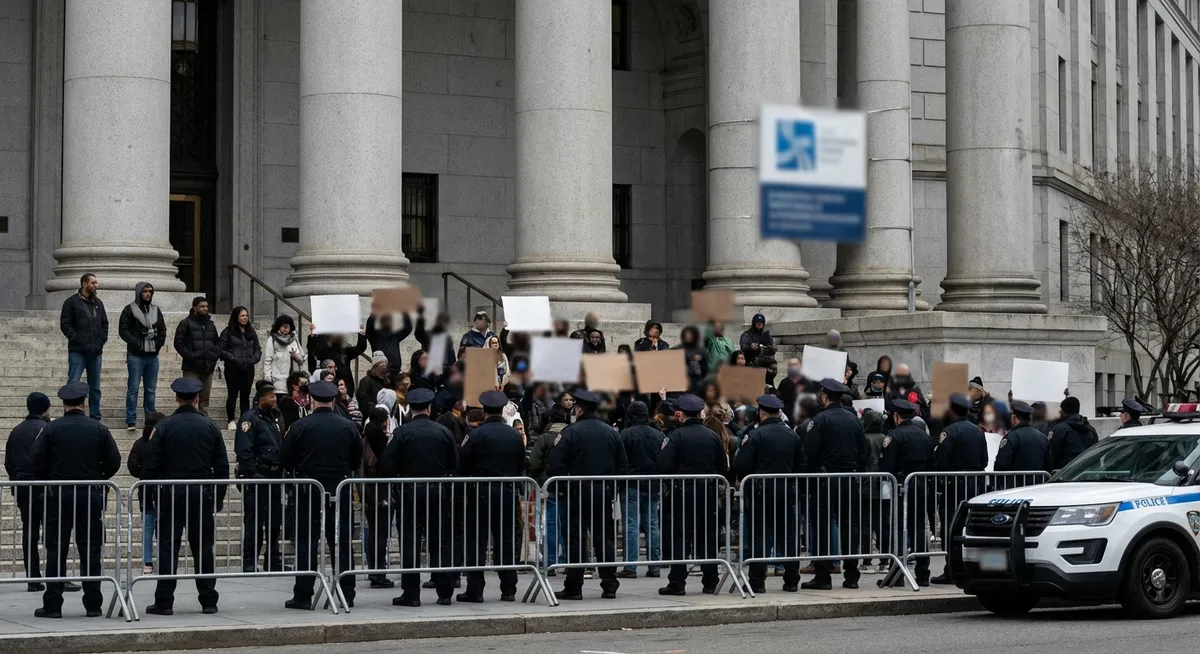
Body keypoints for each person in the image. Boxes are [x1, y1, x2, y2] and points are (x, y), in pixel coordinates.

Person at [28, 382, 121, 618]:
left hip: (59, 494)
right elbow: (114, 460)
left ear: (63, 404)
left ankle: (53, 604)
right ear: (84, 403)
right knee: (90, 550)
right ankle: (93, 604)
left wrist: (49, 478)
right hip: (89, 494)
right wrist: (98, 477)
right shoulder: (98, 429)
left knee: (55, 550)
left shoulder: (51, 429)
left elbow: (35, 461)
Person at [140, 378, 229, 616]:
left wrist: (149, 496)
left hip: (171, 493)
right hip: (201, 493)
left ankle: (165, 600)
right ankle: (209, 600)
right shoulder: (210, 426)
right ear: (197, 398)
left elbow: (151, 464)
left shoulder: (165, 426)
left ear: (177, 398)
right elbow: (222, 466)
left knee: (168, 547)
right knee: (204, 547)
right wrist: (218, 497)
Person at [280, 380, 363, 610]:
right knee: (342, 543)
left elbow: (285, 458)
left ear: (313, 400)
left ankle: (304, 594)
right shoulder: (348, 426)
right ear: (334, 400)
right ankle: (347, 593)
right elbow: (356, 461)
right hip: (339, 491)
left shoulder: (300, 426)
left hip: (308, 492)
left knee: (307, 542)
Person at [380, 388, 459, 607]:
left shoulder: (402, 432)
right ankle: (444, 592)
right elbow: (454, 464)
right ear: (429, 407)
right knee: (440, 542)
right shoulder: (443, 431)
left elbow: (387, 464)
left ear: (410, 410)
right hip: (439, 492)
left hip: (410, 492)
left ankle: (411, 593)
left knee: (410, 542)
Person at [548, 389, 628, 600]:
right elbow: (622, 465)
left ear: (579, 409)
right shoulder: (611, 432)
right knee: (605, 538)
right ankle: (609, 584)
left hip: (576, 492)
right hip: (604, 492)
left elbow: (555, 463)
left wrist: (562, 488)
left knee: (576, 539)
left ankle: (574, 586)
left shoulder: (570, 432)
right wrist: (613, 490)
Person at [733, 394, 807, 593]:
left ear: (761, 412)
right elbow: (802, 464)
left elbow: (742, 464)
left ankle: (757, 582)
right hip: (787, 491)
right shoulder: (792, 435)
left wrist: (750, 479)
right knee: (789, 535)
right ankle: (792, 580)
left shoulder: (756, 434)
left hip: (761, 491)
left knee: (759, 535)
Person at [459, 390, 527, 603]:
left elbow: (463, 463)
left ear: (485, 411)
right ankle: (509, 589)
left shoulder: (476, 435)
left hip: (480, 492)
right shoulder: (514, 435)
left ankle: (475, 589)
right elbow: (520, 464)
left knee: (477, 541)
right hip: (507, 492)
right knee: (506, 540)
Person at [800, 379, 869, 590]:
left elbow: (808, 453)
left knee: (822, 527)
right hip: (849, 479)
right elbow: (864, 452)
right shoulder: (854, 420)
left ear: (825, 396)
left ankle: (823, 576)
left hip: (825, 480)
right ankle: (851, 576)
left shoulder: (820, 420)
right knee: (850, 527)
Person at [657, 393, 728, 596]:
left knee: (680, 537)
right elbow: (723, 466)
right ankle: (710, 581)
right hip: (707, 492)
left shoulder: (676, 436)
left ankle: (677, 583)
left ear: (682, 415)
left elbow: (663, 465)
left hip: (682, 492)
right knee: (707, 537)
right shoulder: (712, 436)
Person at [930, 393, 989, 585]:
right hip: (974, 485)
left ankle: (952, 570)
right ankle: (968, 567)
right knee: (969, 527)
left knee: (950, 527)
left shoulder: (949, 431)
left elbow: (942, 461)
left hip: (953, 485)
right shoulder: (977, 431)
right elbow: (984, 460)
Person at [880, 398, 934, 587]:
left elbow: (887, 467)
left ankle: (897, 573)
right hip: (921, 488)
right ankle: (923, 573)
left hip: (901, 489)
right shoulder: (924, 436)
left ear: (896, 415)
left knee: (899, 529)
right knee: (919, 529)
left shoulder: (894, 437)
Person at [235, 381, 284, 574]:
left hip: (274, 475)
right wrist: (253, 474)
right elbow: (244, 450)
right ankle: (249, 561)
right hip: (258, 476)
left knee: (274, 521)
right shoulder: (250, 419)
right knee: (254, 521)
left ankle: (272, 559)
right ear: (261, 399)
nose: (275, 399)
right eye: (272, 396)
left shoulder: (275, 417)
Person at [5, 392, 52, 590]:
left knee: (29, 531)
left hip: (24, 488)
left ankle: (33, 577)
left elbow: (8, 462)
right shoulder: (48, 429)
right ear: (45, 408)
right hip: (47, 489)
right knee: (52, 533)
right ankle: (55, 575)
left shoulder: (16, 431)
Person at [616, 400, 663, 579]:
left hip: (631, 483)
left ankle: (630, 566)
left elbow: (620, 460)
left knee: (631, 524)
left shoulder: (626, 434)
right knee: (652, 524)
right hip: (652, 484)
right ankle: (654, 565)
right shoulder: (657, 435)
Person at [528, 405, 571, 573]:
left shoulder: (545, 438)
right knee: (568, 523)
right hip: (569, 483)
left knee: (551, 523)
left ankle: (551, 560)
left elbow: (535, 463)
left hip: (548, 483)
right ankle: (568, 559)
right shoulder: (571, 434)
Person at [60, 273, 108, 420]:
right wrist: (77, 338)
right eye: (93, 283)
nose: (96, 285)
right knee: (73, 384)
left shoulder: (98, 303)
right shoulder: (71, 302)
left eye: (96, 283)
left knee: (95, 387)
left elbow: (104, 324)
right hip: (78, 352)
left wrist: (101, 341)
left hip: (95, 352)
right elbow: (65, 324)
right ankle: (69, 413)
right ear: (84, 284)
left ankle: (95, 417)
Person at [119, 282, 166, 430]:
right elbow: (123, 330)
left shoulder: (156, 310)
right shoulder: (129, 310)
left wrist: (157, 344)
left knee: (151, 390)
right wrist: (138, 344)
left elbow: (163, 330)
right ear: (139, 292)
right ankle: (131, 420)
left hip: (152, 356)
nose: (148, 294)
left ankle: (150, 419)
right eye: (145, 291)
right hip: (136, 355)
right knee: (133, 388)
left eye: (150, 291)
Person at [128, 410, 166, 576]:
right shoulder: (164, 442)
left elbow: (132, 465)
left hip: (146, 490)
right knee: (162, 528)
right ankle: (162, 559)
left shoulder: (140, 443)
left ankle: (148, 563)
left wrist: (143, 474)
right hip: (163, 490)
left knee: (148, 527)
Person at [174, 296, 221, 415]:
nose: (205, 308)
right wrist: (190, 356)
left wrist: (213, 356)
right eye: (202, 306)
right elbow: (178, 343)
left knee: (205, 398)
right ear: (195, 308)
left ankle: (203, 418)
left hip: (207, 366)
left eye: (206, 306)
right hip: (192, 367)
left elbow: (217, 342)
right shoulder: (186, 323)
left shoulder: (211, 324)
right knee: (190, 395)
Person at [219, 306, 262, 430]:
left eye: (246, 316)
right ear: (236, 316)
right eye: (242, 315)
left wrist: (255, 358)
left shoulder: (251, 331)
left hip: (248, 367)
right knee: (232, 394)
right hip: (233, 368)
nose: (245, 318)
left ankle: (245, 420)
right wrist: (233, 359)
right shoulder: (228, 332)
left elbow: (257, 348)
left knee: (245, 394)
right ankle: (231, 419)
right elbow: (221, 350)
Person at [305, 326, 368, 397]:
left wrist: (361, 334)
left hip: (344, 389)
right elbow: (311, 350)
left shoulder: (344, 350)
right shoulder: (320, 351)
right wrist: (312, 336)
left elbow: (360, 348)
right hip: (326, 390)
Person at [994, 400, 1053, 473]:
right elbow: (1048, 465)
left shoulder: (1012, 437)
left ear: (1014, 418)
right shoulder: (1043, 438)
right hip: (1038, 483)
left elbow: (1001, 465)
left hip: (1015, 483)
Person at [262, 315, 306, 401]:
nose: (285, 328)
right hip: (277, 380)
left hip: (293, 381)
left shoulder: (294, 339)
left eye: (287, 326)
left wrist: (296, 357)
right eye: (283, 326)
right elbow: (267, 360)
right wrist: (268, 378)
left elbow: (302, 359)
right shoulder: (272, 339)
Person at [1048, 396, 1099, 469]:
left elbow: (1053, 455)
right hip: (1088, 472)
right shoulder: (1090, 429)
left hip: (1066, 473)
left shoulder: (1059, 429)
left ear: (1063, 411)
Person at [365, 312, 413, 378]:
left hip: (396, 372)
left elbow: (408, 328)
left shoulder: (395, 336)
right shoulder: (375, 336)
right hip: (381, 373)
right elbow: (370, 325)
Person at [740, 314, 778, 386]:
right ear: (754, 324)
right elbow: (744, 348)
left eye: (761, 325)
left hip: (767, 368)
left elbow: (772, 349)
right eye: (758, 324)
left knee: (769, 388)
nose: (759, 326)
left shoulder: (766, 335)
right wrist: (752, 347)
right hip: (753, 367)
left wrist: (770, 348)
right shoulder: (746, 335)